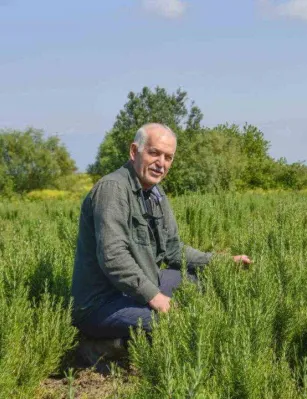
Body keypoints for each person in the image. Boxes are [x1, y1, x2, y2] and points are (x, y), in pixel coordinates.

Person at [71, 123, 251, 359]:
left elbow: (174, 250)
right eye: (154, 153)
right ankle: (98, 347)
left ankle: (123, 339)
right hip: (102, 302)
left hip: (137, 287)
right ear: (134, 152)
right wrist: (155, 298)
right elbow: (113, 257)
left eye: (168, 157)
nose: (161, 163)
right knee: (174, 323)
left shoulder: (155, 193)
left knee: (196, 282)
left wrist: (222, 261)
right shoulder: (113, 189)